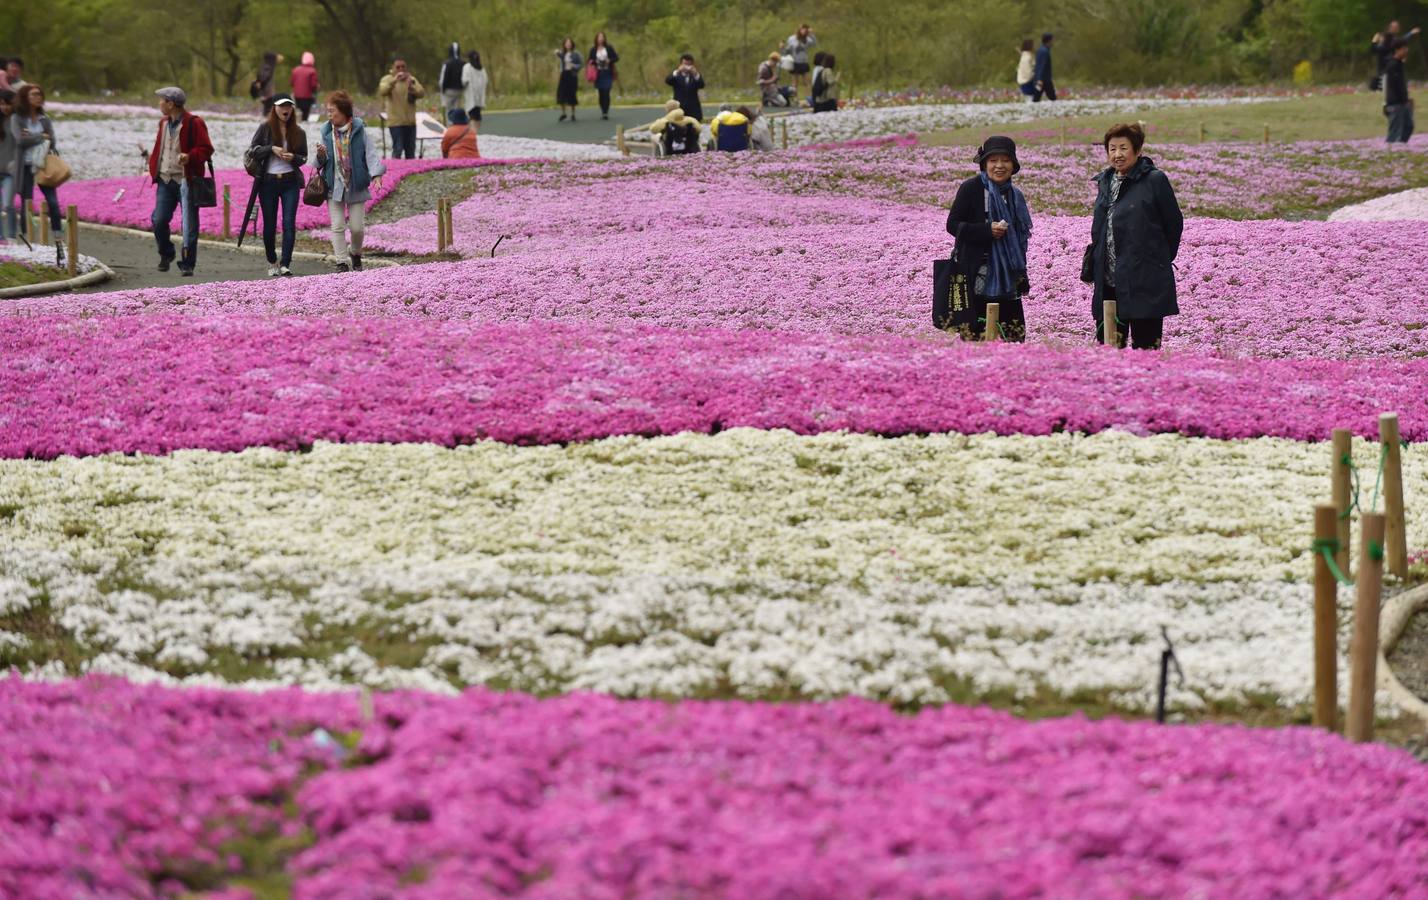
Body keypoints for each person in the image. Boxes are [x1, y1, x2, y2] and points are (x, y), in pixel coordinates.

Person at [1082, 122, 1182, 350]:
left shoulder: (1155, 180)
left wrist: (1157, 258)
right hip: (1108, 280)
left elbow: (1174, 224)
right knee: (1108, 347)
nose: (1117, 154)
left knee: (1145, 349)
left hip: (1144, 280)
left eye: (1123, 148)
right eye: (1112, 148)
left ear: (1137, 150)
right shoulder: (1105, 181)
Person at [943, 136, 1033, 342]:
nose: (999, 166)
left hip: (1008, 276)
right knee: (975, 337)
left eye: (1005, 160)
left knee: (1015, 337)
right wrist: (986, 230)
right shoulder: (971, 188)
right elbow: (952, 224)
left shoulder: (1015, 195)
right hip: (976, 273)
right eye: (993, 161)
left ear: (1013, 165)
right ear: (984, 164)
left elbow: (1019, 241)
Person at [315, 90, 385, 273]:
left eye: (332, 111)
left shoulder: (360, 131)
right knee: (337, 226)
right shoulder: (325, 132)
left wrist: (376, 174)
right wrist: (320, 155)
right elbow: (318, 163)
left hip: (356, 184)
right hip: (334, 185)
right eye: (328, 111)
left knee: (356, 228)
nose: (329, 115)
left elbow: (370, 154)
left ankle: (355, 252)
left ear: (344, 112)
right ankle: (341, 262)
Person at [147, 86, 214, 276]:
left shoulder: (194, 123)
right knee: (159, 220)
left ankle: (188, 262)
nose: (159, 104)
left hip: (187, 180)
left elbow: (206, 149)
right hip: (165, 180)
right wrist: (153, 168)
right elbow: (160, 148)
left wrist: (190, 156)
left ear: (171, 104)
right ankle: (166, 253)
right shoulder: (163, 123)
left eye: (162, 100)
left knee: (189, 224)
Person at [249, 94, 308, 277]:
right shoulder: (265, 128)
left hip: (290, 181)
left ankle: (285, 264)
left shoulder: (299, 132)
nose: (286, 110)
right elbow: (253, 151)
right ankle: (272, 260)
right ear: (275, 109)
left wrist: (294, 158)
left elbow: (303, 157)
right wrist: (271, 149)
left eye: (289, 106)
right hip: (268, 183)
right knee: (269, 225)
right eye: (282, 106)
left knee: (289, 223)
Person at [10, 84, 63, 255]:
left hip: (43, 164)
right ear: (25, 98)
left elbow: (52, 141)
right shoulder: (17, 119)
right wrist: (41, 136)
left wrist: (32, 137)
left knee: (53, 202)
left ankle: (58, 237)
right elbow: (20, 141)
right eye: (33, 95)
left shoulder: (44, 119)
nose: (37, 98)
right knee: (27, 202)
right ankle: (27, 238)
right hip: (24, 165)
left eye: (39, 95)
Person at [378, 58, 425, 159]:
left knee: (411, 150)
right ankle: (395, 170)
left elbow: (421, 92)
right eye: (398, 67)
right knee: (398, 148)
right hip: (396, 122)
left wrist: (412, 87)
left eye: (403, 67)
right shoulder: (387, 79)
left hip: (410, 122)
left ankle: (411, 171)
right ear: (393, 68)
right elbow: (382, 91)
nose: (401, 69)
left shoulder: (411, 79)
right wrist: (394, 80)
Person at [1384, 39, 1415, 144]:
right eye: (1404, 48)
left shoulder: (1399, 64)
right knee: (1395, 131)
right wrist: (1404, 100)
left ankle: (1400, 147)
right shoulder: (1392, 65)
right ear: (1397, 50)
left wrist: (1407, 99)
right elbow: (1395, 87)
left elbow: (1401, 85)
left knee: (1408, 126)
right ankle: (1391, 150)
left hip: (1403, 102)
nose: (1406, 50)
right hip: (1395, 103)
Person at [1372, 22, 1419, 90]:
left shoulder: (1389, 41)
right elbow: (1402, 40)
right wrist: (1410, 33)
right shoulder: (1386, 43)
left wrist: (1374, 41)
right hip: (1385, 70)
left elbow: (1401, 41)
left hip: (1388, 69)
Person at [589, 32, 619, 120]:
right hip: (598, 73)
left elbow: (616, 58)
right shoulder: (593, 49)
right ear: (596, 39)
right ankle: (602, 110)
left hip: (607, 72)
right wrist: (596, 62)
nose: (601, 39)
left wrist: (609, 60)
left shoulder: (609, 48)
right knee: (601, 92)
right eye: (599, 37)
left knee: (607, 90)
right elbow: (590, 60)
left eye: (602, 37)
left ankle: (606, 111)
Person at [666, 54, 705, 122]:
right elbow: (668, 81)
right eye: (685, 64)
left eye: (689, 65)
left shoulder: (695, 76)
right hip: (679, 109)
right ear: (680, 64)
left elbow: (701, 85)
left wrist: (696, 74)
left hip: (693, 110)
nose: (686, 67)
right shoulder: (676, 76)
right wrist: (677, 71)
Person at [784, 24, 817, 94]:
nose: (804, 31)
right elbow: (787, 50)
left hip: (804, 62)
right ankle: (795, 98)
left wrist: (811, 34)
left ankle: (809, 97)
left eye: (805, 30)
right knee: (795, 83)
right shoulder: (791, 38)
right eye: (803, 29)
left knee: (807, 82)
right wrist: (783, 50)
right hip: (795, 62)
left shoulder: (807, 39)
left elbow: (814, 43)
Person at [0, 89, 15, 240]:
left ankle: (11, 236)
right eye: (1, 104)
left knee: (8, 205)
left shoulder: (17, 121)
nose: (4, 107)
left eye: (7, 104)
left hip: (11, 171)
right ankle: (1, 237)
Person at [555, 38, 582, 122]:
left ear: (572, 44)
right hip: (564, 74)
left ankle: (573, 113)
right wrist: (556, 52)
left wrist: (573, 66)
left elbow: (580, 64)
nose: (568, 44)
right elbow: (558, 54)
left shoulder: (576, 54)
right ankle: (563, 113)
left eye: (569, 43)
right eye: (566, 43)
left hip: (572, 75)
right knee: (561, 93)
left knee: (572, 94)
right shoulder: (563, 54)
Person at [462, 51, 488, 128]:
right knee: (477, 115)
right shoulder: (482, 69)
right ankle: (475, 133)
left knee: (472, 116)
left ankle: (473, 134)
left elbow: (464, 81)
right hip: (479, 97)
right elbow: (486, 81)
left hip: (471, 96)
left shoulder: (467, 67)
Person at [290, 52, 320, 121]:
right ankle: (306, 121)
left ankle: (299, 120)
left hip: (297, 97)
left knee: (300, 109)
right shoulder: (312, 71)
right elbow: (313, 85)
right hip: (307, 97)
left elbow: (291, 83)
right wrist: (317, 86)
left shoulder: (295, 70)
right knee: (306, 112)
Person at [438, 42, 465, 114]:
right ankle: (457, 124)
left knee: (449, 112)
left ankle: (450, 125)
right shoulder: (463, 63)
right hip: (459, 90)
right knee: (457, 111)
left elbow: (442, 80)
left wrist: (442, 90)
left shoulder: (447, 63)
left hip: (448, 91)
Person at [1033, 33, 1056, 102]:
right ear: (1049, 41)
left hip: (1041, 79)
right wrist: (1040, 79)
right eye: (1052, 40)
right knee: (1052, 99)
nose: (1053, 42)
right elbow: (1041, 66)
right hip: (1044, 80)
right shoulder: (1044, 52)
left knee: (1036, 98)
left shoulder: (1040, 50)